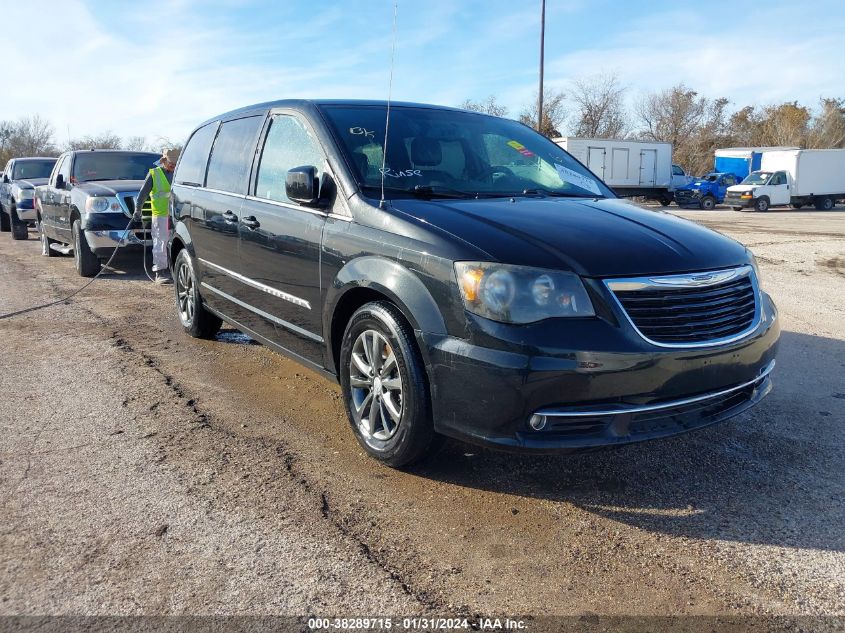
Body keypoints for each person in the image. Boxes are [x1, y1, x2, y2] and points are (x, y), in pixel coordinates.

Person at [135, 149, 179, 284]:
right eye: (171, 163)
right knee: (160, 243)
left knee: (174, 244)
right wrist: (138, 209)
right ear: (164, 161)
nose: (173, 165)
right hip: (160, 216)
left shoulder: (179, 174)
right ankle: (160, 273)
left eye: (176, 163)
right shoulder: (154, 174)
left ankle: (174, 271)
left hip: (176, 215)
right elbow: (143, 194)